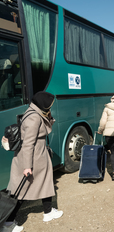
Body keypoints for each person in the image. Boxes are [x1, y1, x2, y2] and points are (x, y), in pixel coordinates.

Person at [1, 91, 63, 232]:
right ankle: (8, 223)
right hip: (33, 158)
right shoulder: (34, 118)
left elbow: (44, 130)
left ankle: (48, 212)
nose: (50, 108)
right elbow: (28, 143)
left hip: (39, 156)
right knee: (21, 190)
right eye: (48, 106)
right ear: (43, 105)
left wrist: (49, 117)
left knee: (45, 183)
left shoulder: (36, 113)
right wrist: (27, 166)